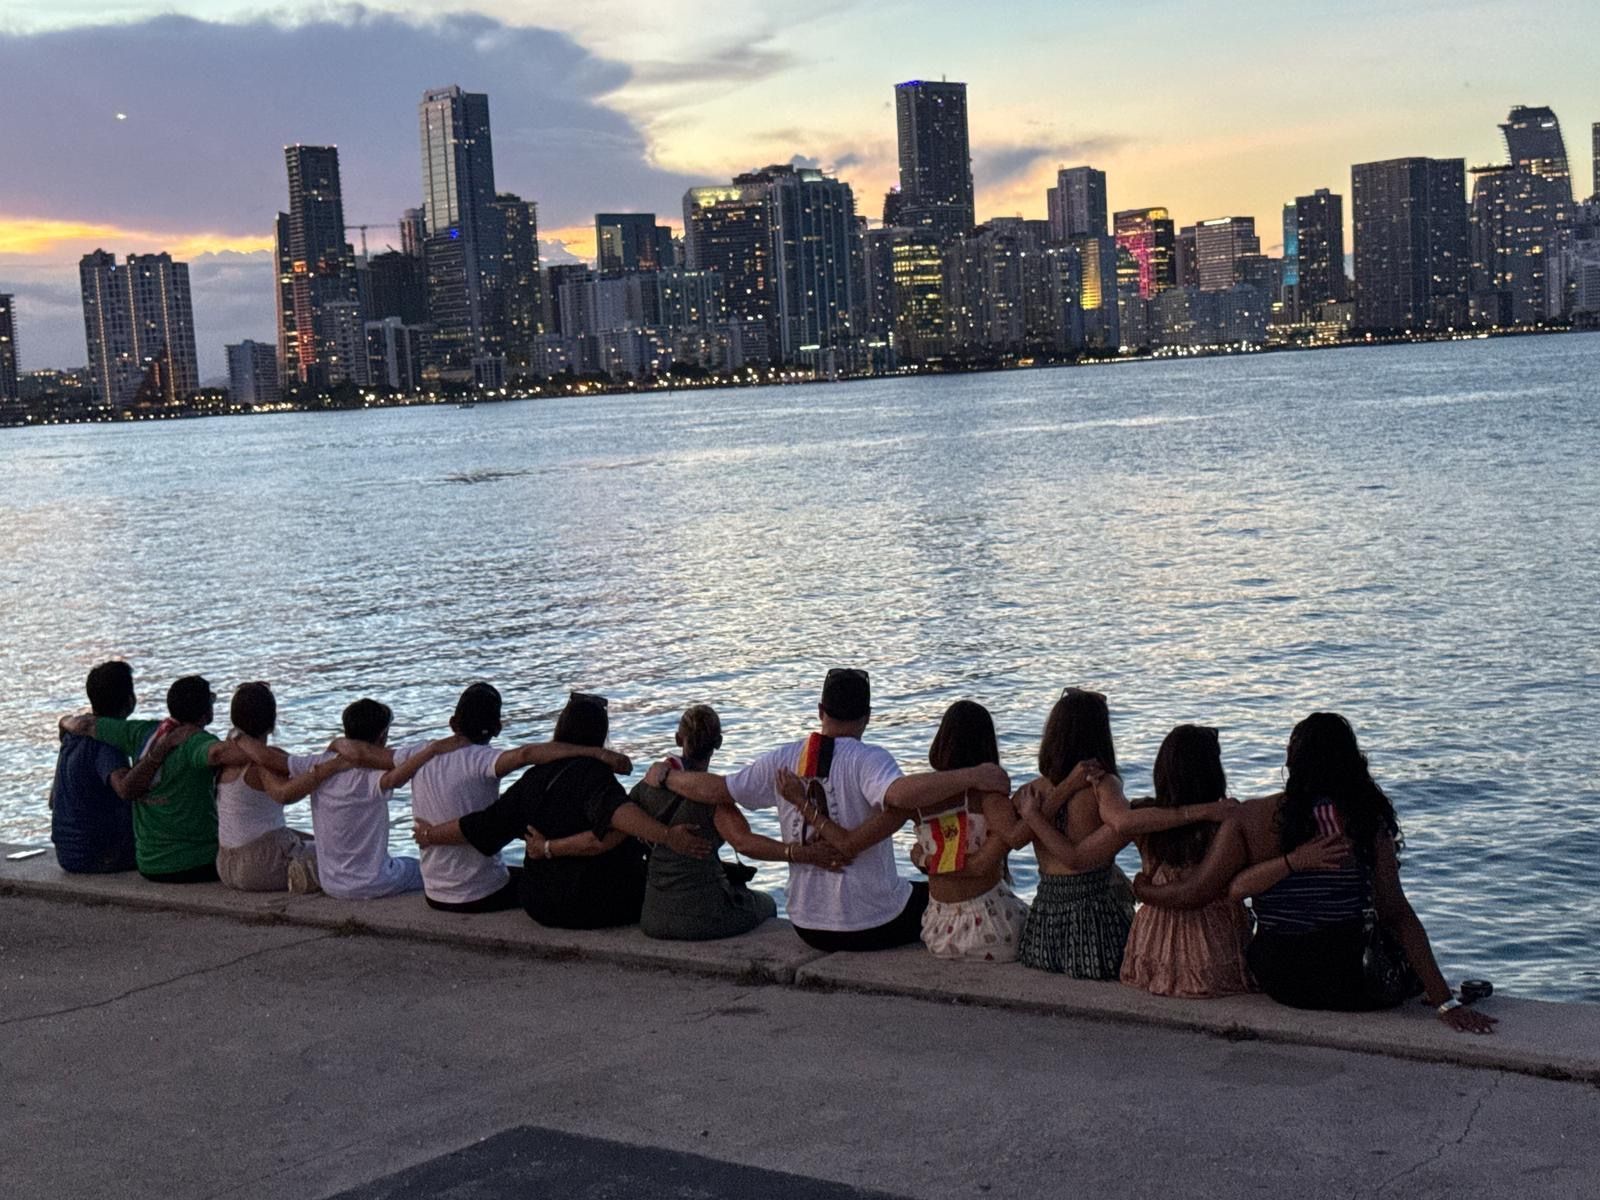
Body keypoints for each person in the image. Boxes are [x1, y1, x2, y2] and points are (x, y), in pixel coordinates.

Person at [1138, 713, 1496, 1034]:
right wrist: (1445, 1001)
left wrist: (1143, 891)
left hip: (1281, 977)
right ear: (1350, 761)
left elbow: (1195, 892)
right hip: (1354, 980)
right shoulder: (1365, 820)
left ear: (1291, 758)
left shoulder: (1251, 818)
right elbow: (1397, 914)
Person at [645, 669, 1010, 952]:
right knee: (938, 897)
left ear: (821, 711)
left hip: (807, 925)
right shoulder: (869, 759)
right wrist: (974, 775)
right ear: (867, 716)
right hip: (871, 924)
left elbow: (718, 789)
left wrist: (668, 775)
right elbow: (900, 795)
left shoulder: (784, 758)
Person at [412, 693, 711, 929]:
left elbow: (483, 826)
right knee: (638, 816)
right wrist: (668, 835)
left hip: (540, 905)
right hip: (595, 904)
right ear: (600, 735)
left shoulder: (533, 779)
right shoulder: (594, 776)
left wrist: (429, 835)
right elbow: (618, 814)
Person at [1013, 688, 1229, 979]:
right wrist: (1201, 811)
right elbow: (1109, 834)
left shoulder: (1031, 792)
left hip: (1043, 929)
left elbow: (1015, 839)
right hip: (1093, 929)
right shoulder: (1103, 786)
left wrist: (1035, 814)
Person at [383, 682, 633, 914]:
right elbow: (525, 755)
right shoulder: (484, 761)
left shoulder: (420, 753)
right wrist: (597, 753)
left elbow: (371, 756)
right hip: (478, 893)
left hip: (434, 892)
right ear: (498, 728)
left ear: (452, 723)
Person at [626, 704, 837, 941]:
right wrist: (802, 854)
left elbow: (622, 823)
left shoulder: (646, 786)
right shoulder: (712, 797)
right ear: (718, 743)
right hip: (704, 917)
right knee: (767, 904)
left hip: (653, 915)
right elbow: (744, 843)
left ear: (678, 739)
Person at [60, 674, 287, 883]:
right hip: (194, 862)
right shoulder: (195, 741)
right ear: (206, 713)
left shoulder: (142, 731)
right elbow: (217, 754)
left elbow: (85, 724)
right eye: (211, 700)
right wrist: (283, 759)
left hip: (148, 863)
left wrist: (64, 722)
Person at [1118, 725, 1254, 998]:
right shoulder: (1227, 822)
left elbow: (1117, 822)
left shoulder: (1144, 818)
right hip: (1212, 953)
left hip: (1153, 951)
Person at [264, 698, 437, 901]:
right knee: (420, 868)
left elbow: (276, 761)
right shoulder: (373, 774)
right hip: (374, 882)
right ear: (382, 736)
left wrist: (240, 738)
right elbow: (396, 778)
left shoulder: (319, 763)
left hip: (330, 883)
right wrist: (432, 751)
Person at [901, 701, 1030, 962]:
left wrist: (921, 858)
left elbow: (894, 795)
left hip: (937, 929)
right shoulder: (989, 799)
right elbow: (1011, 840)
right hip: (993, 928)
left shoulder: (922, 800)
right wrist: (1034, 809)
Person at [210, 683, 321, 893]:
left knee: (312, 840)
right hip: (260, 865)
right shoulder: (265, 762)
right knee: (336, 854)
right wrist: (321, 773)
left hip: (225, 864)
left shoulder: (225, 759)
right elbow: (286, 793)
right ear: (272, 724)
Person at [49, 661, 139, 873]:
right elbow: (124, 788)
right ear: (129, 700)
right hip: (99, 855)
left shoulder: (72, 736)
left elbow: (53, 801)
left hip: (67, 853)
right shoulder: (107, 742)